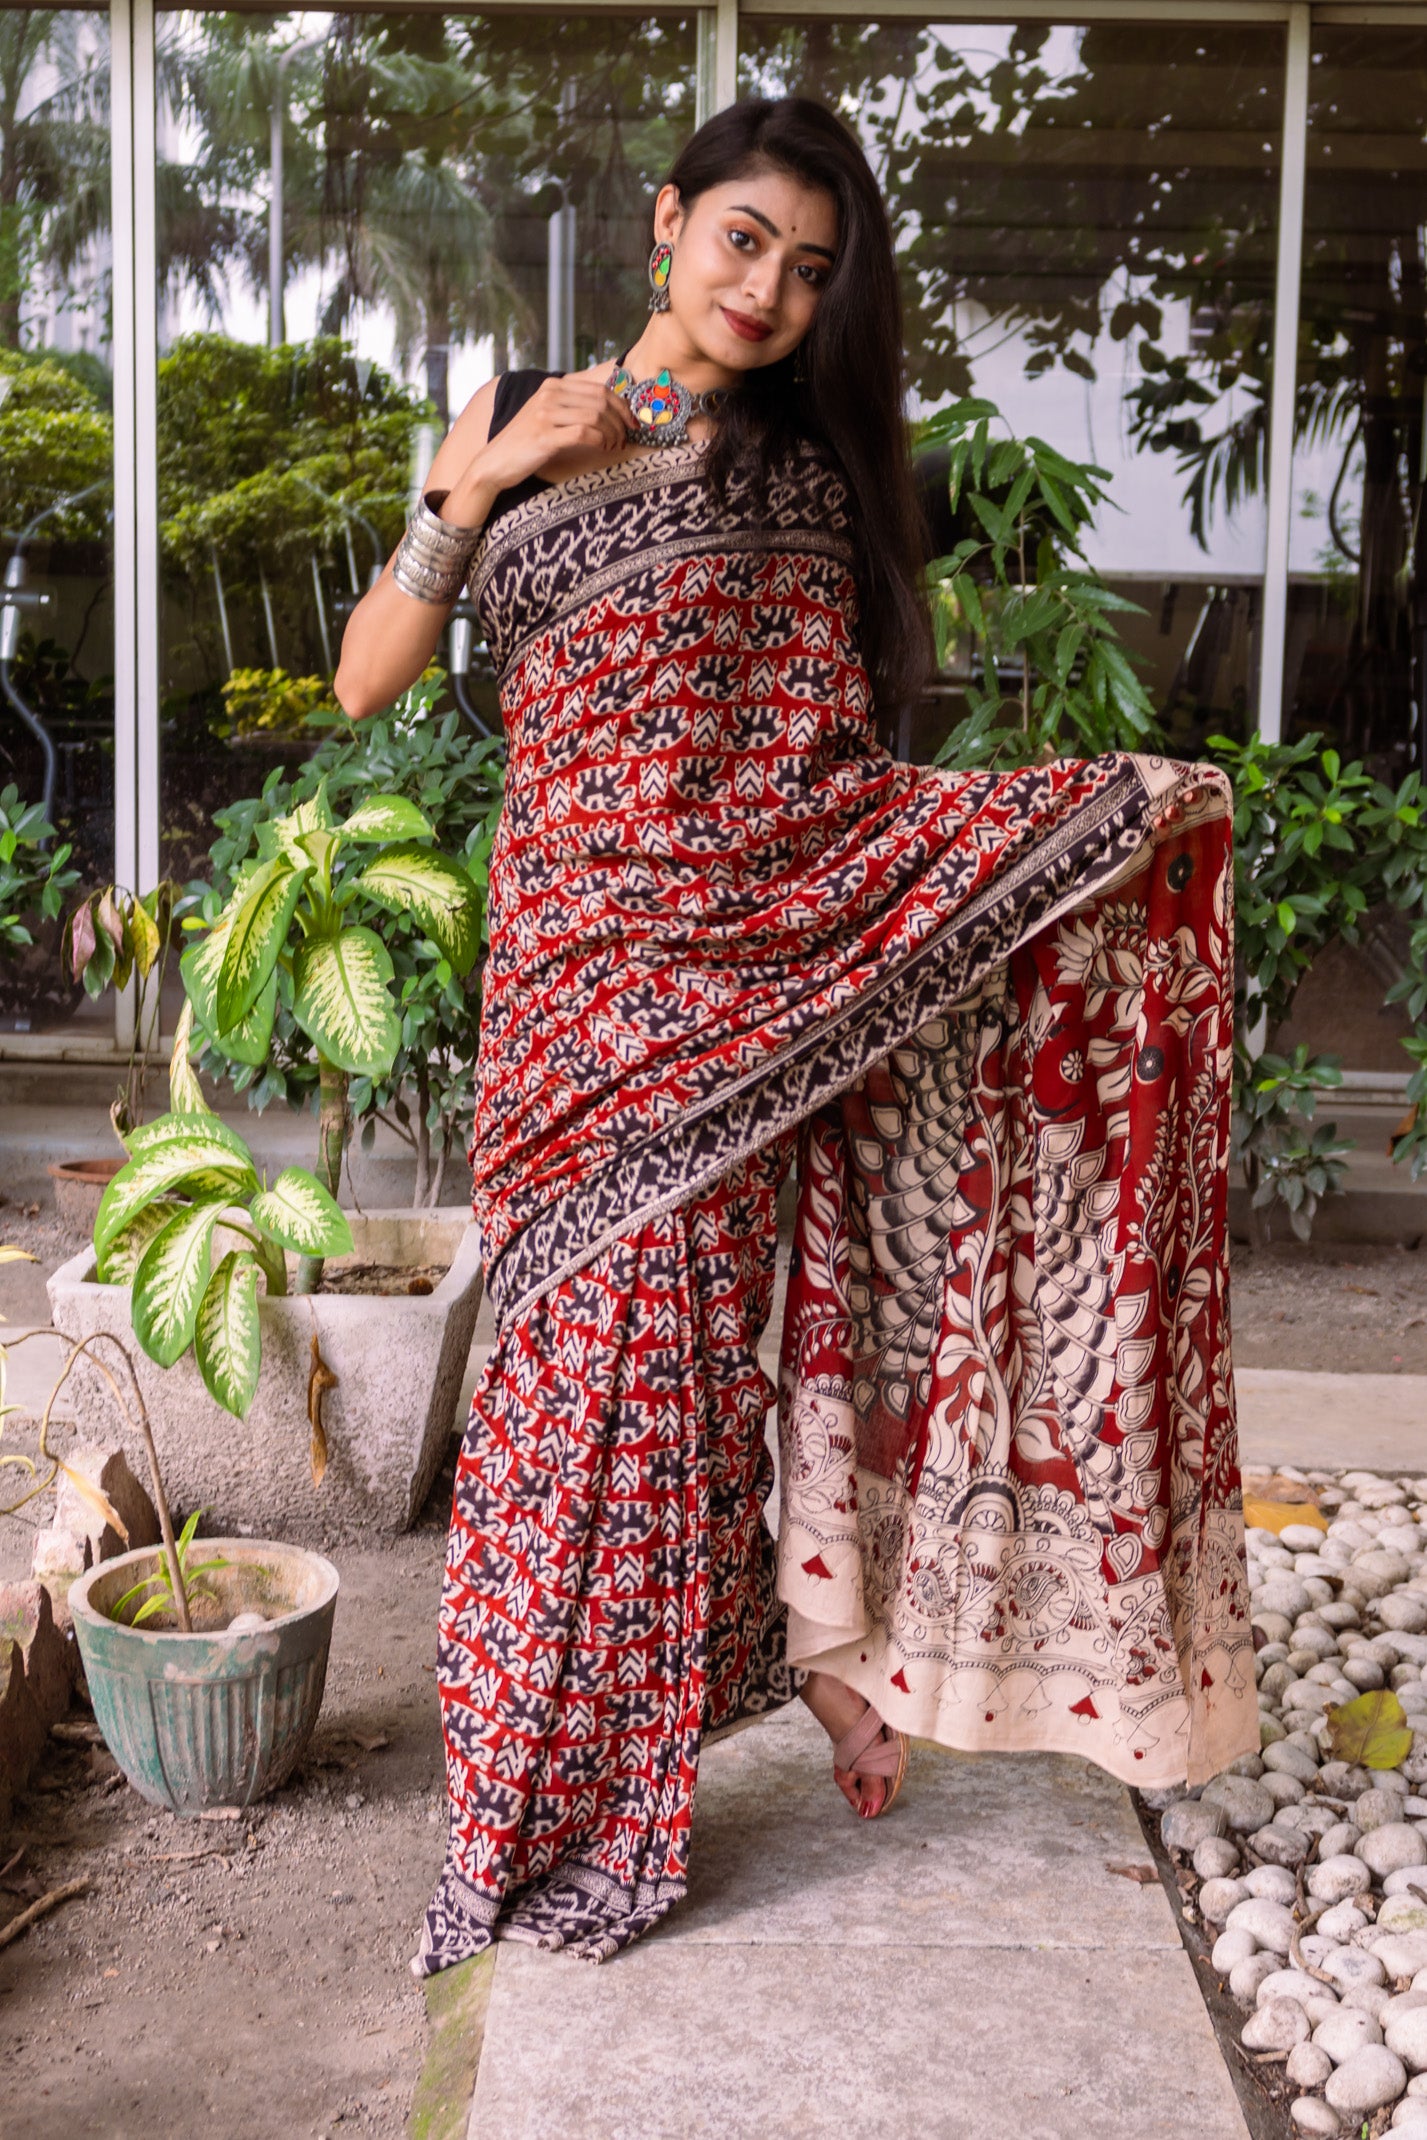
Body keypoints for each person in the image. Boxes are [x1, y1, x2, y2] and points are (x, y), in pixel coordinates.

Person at [334, 94, 1259, 1974]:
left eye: (810, 271)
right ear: (666, 221)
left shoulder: (806, 475)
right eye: (744, 239)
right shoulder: (509, 412)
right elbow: (367, 678)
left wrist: (1082, 822)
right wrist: (484, 480)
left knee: (660, 1387)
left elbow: (819, 782)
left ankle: (598, 1789)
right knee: (550, 1397)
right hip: (559, 998)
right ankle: (621, 1747)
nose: (767, 289)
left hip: (729, 987)